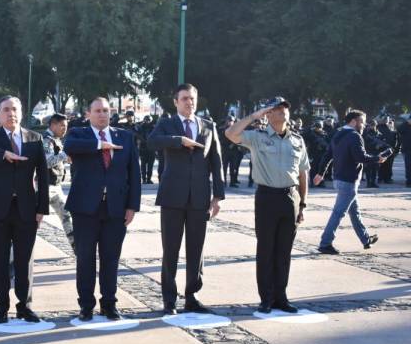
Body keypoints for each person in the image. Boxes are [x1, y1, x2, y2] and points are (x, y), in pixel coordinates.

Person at [0, 95, 49, 324]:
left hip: (26, 208)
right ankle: (1, 307)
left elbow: (42, 176)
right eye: (6, 109)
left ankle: (25, 305)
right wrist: (1, 154)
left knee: (25, 259)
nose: (10, 113)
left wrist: (41, 207)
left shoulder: (35, 138)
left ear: (21, 113)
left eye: (14, 109)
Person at [225, 97, 308, 314]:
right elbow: (230, 134)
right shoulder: (258, 137)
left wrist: (303, 203)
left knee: (284, 251)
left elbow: (302, 173)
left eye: (284, 108)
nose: (282, 111)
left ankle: (281, 296)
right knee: (266, 250)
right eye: (277, 109)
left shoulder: (297, 140)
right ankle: (266, 298)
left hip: (290, 197)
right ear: (268, 114)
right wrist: (254, 116)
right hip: (267, 197)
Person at [148, 83, 223, 315]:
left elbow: (216, 161)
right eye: (184, 99)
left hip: (199, 198)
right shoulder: (166, 124)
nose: (189, 102)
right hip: (172, 197)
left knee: (196, 249)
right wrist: (178, 140)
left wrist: (217, 197)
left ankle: (192, 296)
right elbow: (151, 141)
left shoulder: (208, 126)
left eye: (192, 99)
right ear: (175, 102)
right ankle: (169, 299)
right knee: (170, 249)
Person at [65, 97, 141, 320]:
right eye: (97, 110)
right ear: (88, 113)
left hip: (116, 208)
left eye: (106, 111)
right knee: (86, 258)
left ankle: (109, 303)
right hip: (85, 209)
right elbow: (70, 147)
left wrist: (132, 206)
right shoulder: (79, 134)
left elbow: (134, 175)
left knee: (111, 258)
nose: (102, 114)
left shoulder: (125, 137)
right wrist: (100, 145)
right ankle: (86, 305)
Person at [314, 110, 385, 254]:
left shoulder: (338, 134)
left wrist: (321, 173)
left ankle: (365, 240)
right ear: (353, 121)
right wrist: (377, 158)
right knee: (338, 213)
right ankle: (325, 243)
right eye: (362, 121)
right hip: (349, 181)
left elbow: (328, 155)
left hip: (339, 179)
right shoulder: (354, 136)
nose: (364, 124)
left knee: (354, 212)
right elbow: (360, 157)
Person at [42, 113, 75, 251]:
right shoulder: (47, 140)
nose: (64, 129)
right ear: (53, 125)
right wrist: (64, 154)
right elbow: (47, 162)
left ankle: (77, 248)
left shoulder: (55, 139)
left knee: (67, 217)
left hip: (55, 186)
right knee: (32, 223)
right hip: (44, 187)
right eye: (62, 126)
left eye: (66, 126)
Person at [376, 116, 398, 184]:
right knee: (382, 164)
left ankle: (387, 178)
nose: (387, 121)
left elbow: (396, 139)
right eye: (385, 119)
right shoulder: (378, 128)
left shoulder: (391, 128)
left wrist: (396, 149)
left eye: (388, 120)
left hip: (391, 149)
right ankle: (382, 178)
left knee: (388, 165)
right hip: (382, 149)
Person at [397, 116, 411, 187]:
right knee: (408, 166)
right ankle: (409, 182)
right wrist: (406, 123)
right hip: (407, 149)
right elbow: (399, 129)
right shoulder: (405, 126)